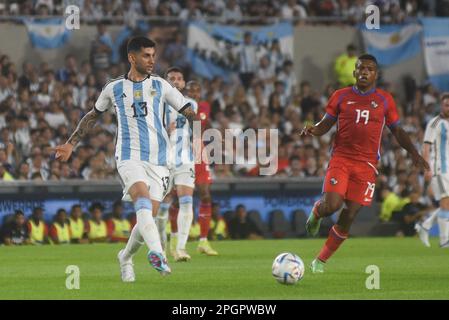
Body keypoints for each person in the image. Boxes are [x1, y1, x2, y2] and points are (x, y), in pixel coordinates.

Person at [55, 36, 196, 282]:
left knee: (146, 219)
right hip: (129, 156)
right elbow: (93, 115)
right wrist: (71, 143)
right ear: (132, 57)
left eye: (154, 55)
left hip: (159, 161)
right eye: (146, 55)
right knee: (140, 197)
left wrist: (196, 119)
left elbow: (187, 110)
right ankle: (158, 254)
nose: (152, 60)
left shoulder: (162, 85)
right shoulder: (114, 87)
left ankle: (125, 257)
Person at [301, 54, 429, 273]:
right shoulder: (340, 96)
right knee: (332, 205)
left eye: (369, 69)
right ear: (354, 72)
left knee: (349, 214)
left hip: (367, 165)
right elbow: (326, 124)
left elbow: (397, 129)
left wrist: (414, 153)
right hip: (341, 158)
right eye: (360, 68)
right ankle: (317, 212)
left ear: (375, 74)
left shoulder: (385, 100)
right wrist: (314, 129)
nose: (364, 72)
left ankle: (320, 261)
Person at [156, 67, 197, 262]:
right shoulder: (158, 102)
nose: (176, 81)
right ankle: (161, 250)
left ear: (183, 83)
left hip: (185, 159)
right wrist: (164, 129)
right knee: (162, 207)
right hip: (162, 160)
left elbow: (195, 131)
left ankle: (180, 248)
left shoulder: (191, 104)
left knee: (186, 201)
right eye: (172, 78)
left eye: (179, 79)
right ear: (165, 81)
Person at [415, 93, 449, 248]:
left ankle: (425, 225)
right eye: (446, 105)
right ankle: (444, 240)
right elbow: (426, 146)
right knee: (445, 202)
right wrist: (427, 168)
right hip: (439, 168)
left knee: (446, 204)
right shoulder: (434, 123)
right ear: (441, 106)